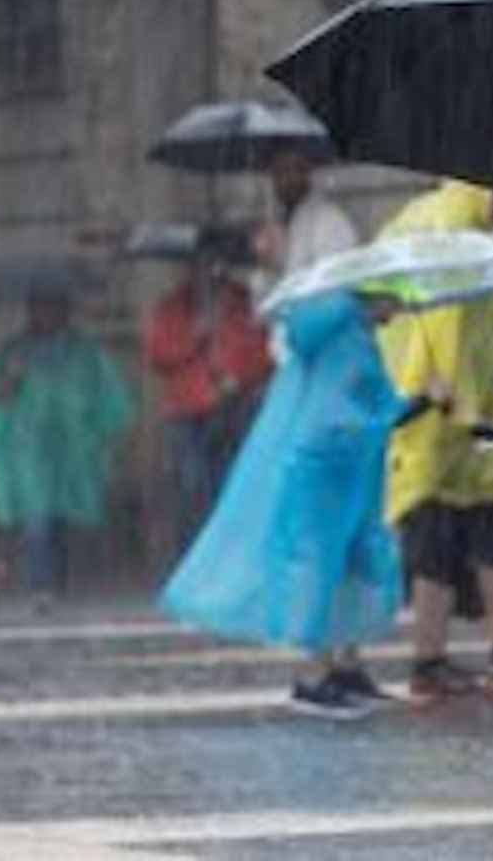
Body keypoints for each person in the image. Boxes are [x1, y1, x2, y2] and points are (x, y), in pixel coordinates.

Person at [160, 290, 439, 719]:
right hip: (329, 475)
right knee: (321, 569)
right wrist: (421, 402)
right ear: (371, 295)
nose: (401, 305)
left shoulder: (343, 338)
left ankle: (343, 668)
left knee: (344, 567)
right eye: (393, 295)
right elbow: (348, 419)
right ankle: (316, 674)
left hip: (342, 477)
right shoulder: (348, 342)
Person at [376, 180, 493, 703]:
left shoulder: (471, 227)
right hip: (446, 415)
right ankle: (439, 658)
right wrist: (456, 396)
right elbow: (443, 323)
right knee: (444, 543)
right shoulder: (448, 227)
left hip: (483, 412)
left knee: (489, 530)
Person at [0, 283, 133, 613]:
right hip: (29, 449)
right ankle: (42, 585)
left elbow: (109, 400)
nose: (46, 315)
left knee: (62, 520)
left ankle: (59, 583)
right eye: (40, 306)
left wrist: (101, 437)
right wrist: (11, 380)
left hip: (72, 449)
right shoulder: (14, 352)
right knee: (38, 516)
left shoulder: (84, 352)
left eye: (53, 306)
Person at [145, 227, 273, 547]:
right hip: (187, 411)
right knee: (192, 485)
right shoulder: (173, 307)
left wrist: (238, 377)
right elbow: (157, 354)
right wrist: (194, 340)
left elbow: (262, 353)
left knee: (231, 481)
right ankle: (196, 548)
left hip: (233, 406)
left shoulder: (242, 303)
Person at [254, 148, 357, 275]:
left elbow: (334, 276)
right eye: (279, 172)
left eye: (295, 169)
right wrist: (268, 263)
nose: (287, 179)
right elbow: (269, 287)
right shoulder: (277, 223)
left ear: (308, 173)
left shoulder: (331, 220)